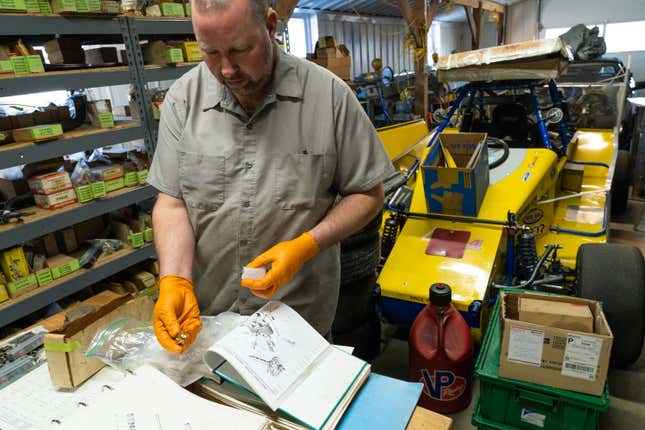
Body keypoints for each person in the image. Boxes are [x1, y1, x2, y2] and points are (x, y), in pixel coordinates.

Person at [148, 0, 395, 353]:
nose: (227, 69)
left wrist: (306, 245)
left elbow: (368, 193)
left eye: (239, 50)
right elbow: (172, 204)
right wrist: (173, 279)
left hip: (298, 327)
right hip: (208, 326)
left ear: (270, 26)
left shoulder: (329, 98)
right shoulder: (182, 100)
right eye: (211, 53)